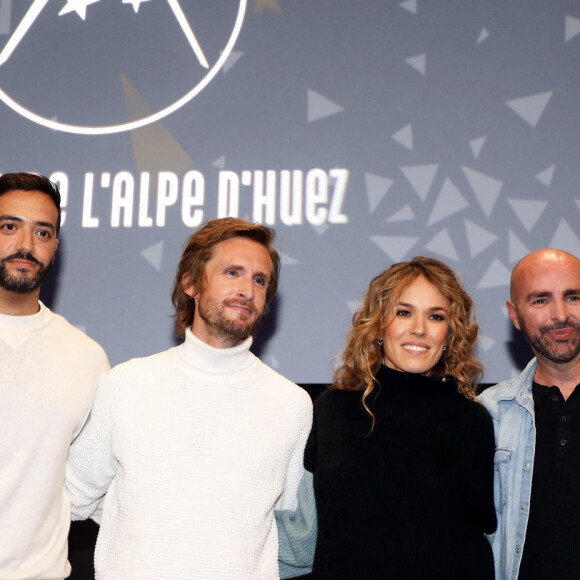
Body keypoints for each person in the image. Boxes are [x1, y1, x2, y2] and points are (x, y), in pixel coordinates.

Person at [65, 217, 312, 579]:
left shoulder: (292, 405)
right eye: (232, 272)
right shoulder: (128, 384)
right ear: (191, 283)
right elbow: (72, 497)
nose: (247, 289)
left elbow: (286, 521)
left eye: (260, 280)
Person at [279, 256, 496, 579]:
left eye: (436, 317)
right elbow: (303, 538)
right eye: (404, 312)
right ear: (380, 324)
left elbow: (485, 535)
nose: (419, 329)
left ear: (450, 334)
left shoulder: (473, 421)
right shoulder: (333, 410)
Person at [0, 172, 109, 579]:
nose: (25, 246)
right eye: (9, 227)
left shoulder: (86, 358)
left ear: (56, 247)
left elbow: (96, 489)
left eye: (42, 233)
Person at [479, 248, 580, 580]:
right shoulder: (488, 414)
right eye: (540, 300)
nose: (560, 315)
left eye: (573, 297)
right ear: (514, 313)